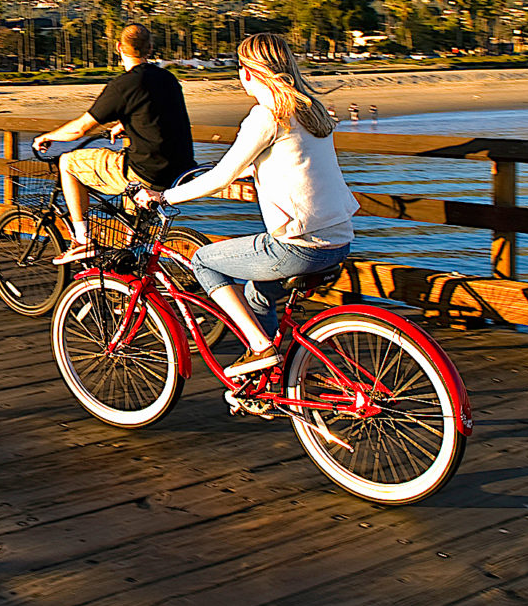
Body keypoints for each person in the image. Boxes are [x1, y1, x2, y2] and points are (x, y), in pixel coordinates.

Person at [135, 33, 357, 378]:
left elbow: (220, 177)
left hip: (298, 246)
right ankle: (263, 381)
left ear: (248, 72)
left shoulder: (267, 116)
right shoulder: (309, 111)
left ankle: (262, 347)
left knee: (203, 261)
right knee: (258, 295)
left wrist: (164, 196)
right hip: (339, 240)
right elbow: (292, 162)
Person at [32, 24, 194, 265]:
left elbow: (79, 129)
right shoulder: (167, 79)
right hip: (179, 170)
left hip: (144, 171)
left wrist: (47, 137)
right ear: (149, 48)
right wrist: (125, 123)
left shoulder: (123, 85)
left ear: (119, 48)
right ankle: (130, 292)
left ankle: (82, 239)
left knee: (67, 162)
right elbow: (156, 115)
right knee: (133, 242)